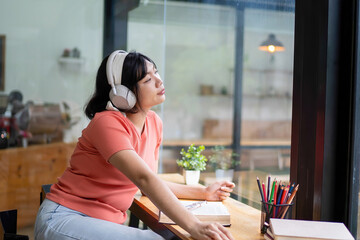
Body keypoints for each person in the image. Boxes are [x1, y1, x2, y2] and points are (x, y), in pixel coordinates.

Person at [34, 50, 235, 240]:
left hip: (100, 225)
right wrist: (194, 225)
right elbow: (144, 178)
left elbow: (149, 183)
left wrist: (204, 193)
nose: (159, 81)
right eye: (148, 79)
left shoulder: (155, 123)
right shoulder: (107, 122)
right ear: (124, 93)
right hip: (65, 219)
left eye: (156, 73)